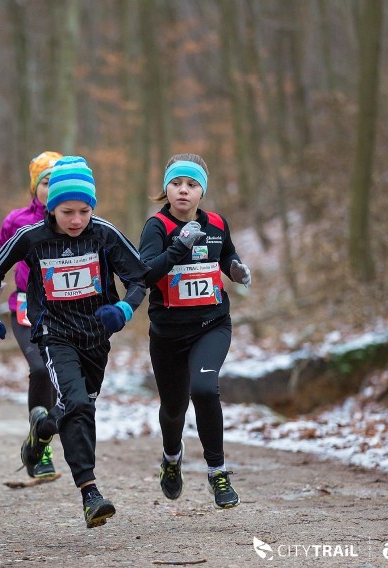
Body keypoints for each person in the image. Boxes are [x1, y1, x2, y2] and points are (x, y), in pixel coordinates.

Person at [0, 156, 149, 528]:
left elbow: (140, 277)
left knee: (81, 404)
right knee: (76, 404)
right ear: (50, 208)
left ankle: (41, 431)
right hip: (54, 334)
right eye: (67, 211)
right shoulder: (31, 237)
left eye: (84, 211)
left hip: (95, 337)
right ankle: (90, 493)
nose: (76, 220)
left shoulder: (103, 233)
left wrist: (124, 309)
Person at [137, 153, 251, 510]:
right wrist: (178, 247)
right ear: (166, 189)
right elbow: (146, 273)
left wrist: (236, 269)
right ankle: (172, 459)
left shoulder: (217, 223)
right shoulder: (156, 226)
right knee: (173, 409)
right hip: (168, 335)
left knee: (204, 388)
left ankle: (218, 473)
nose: (183, 191)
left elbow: (226, 256)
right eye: (176, 184)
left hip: (211, 324)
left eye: (191, 185)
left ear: (202, 191)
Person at [0, 150, 62, 478]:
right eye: (46, 182)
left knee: (62, 383)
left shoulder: (75, 219)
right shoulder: (17, 221)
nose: (51, 188)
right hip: (24, 308)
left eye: (57, 182)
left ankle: (38, 438)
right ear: (35, 188)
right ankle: (42, 453)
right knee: (40, 369)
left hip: (63, 310)